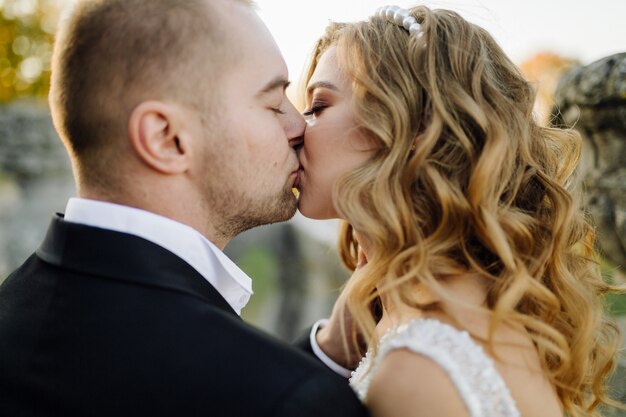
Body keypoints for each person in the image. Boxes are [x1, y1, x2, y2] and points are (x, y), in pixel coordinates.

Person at [0, 0, 368, 416]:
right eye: (272, 103)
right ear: (166, 139)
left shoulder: (15, 312)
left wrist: (331, 349)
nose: (299, 126)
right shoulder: (284, 398)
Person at [297, 5, 623, 417]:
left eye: (319, 106)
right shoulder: (461, 315)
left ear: (415, 127)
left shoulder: (420, 369)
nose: (295, 128)